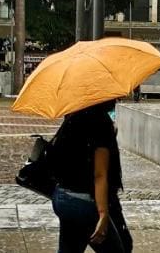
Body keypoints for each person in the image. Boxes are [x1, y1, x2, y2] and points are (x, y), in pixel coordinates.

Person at [50, 100, 133, 252]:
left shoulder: (73, 117)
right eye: (112, 97)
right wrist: (103, 215)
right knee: (120, 248)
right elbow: (100, 175)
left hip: (62, 197)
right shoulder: (100, 122)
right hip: (84, 202)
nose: (116, 100)